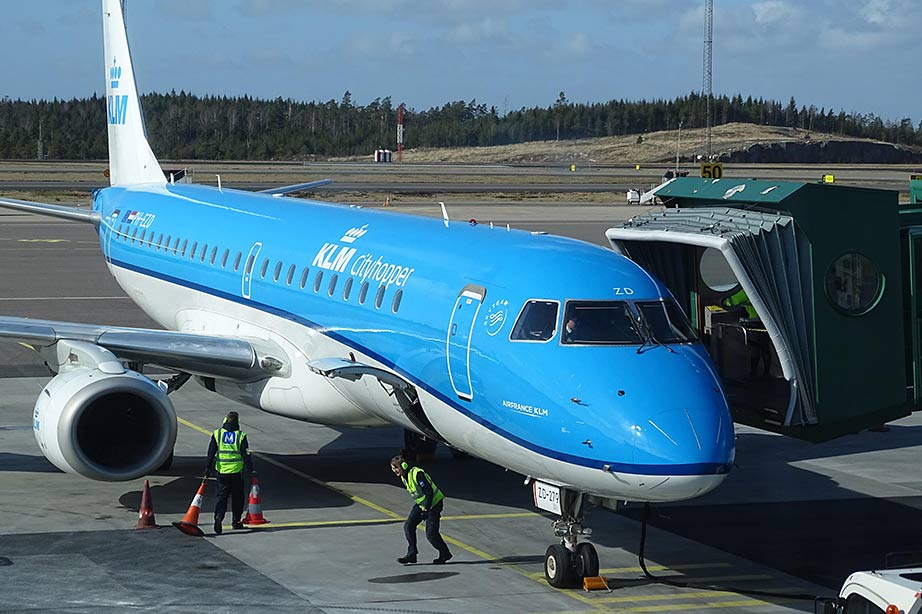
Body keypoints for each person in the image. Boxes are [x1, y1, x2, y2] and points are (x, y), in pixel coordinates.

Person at [391, 454, 452, 565]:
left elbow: (429, 492)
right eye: (393, 468)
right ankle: (412, 554)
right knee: (409, 526)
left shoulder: (417, 474)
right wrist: (423, 508)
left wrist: (426, 510)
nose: (395, 471)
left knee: (431, 534)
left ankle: (445, 554)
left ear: (404, 466)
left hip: (433, 504)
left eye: (396, 468)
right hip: (421, 504)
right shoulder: (404, 476)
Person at [204, 411, 254, 535]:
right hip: (237, 472)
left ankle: (218, 517)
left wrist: (208, 468)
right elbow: (245, 454)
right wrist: (251, 469)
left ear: (225, 420)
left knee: (222, 497)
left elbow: (211, 453)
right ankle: (236, 521)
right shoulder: (240, 435)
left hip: (221, 472)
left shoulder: (218, 434)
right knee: (238, 498)